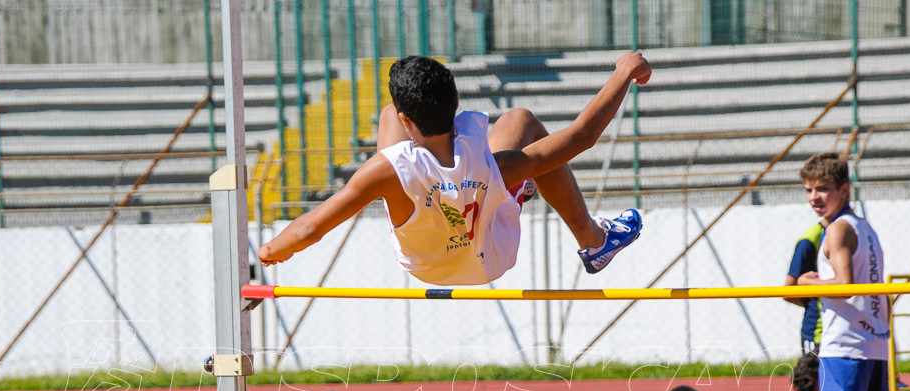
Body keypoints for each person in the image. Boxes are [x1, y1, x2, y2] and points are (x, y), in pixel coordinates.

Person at [257, 52, 652, 285]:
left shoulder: (383, 170)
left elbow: (310, 228)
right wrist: (623, 73)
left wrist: (273, 251)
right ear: (457, 100)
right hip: (490, 255)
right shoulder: (496, 165)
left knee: (387, 120)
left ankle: (513, 193)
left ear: (409, 122)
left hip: (426, 266)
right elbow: (581, 136)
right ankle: (594, 241)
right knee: (520, 120)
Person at [795, 152, 890, 391]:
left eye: (822, 189)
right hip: (872, 344)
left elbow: (845, 285)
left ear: (845, 190)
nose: (814, 197)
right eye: (809, 190)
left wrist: (807, 283)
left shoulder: (837, 228)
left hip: (846, 347)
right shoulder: (865, 227)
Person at [783, 222, 824, 355]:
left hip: (848, 331)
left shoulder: (857, 229)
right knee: (813, 375)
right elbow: (788, 292)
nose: (814, 199)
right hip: (817, 333)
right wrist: (814, 304)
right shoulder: (810, 241)